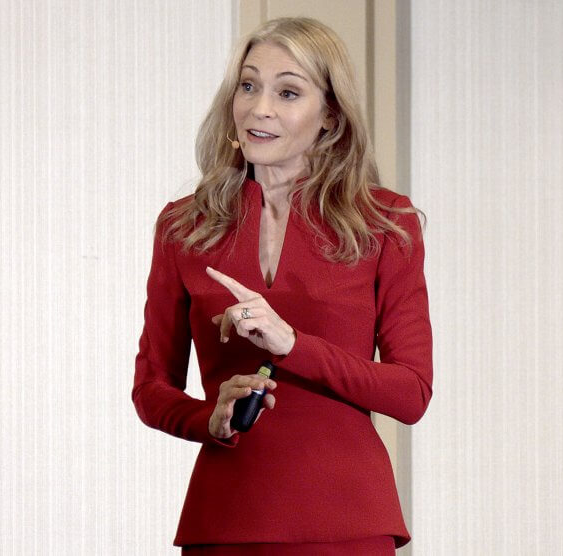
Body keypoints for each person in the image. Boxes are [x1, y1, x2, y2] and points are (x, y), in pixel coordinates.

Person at [132, 17, 433, 555]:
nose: (259, 108)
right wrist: (210, 419)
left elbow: (410, 394)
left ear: (330, 115)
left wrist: (292, 344)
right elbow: (151, 389)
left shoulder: (386, 223)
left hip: (347, 521)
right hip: (225, 521)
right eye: (248, 86)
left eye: (287, 92)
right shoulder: (184, 227)